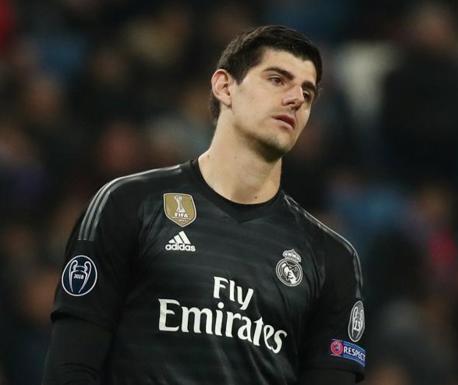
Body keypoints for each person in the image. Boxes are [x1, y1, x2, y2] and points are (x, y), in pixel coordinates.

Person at [42, 25, 365, 385]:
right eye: (277, 80)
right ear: (224, 86)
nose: (296, 99)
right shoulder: (129, 204)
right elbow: (71, 368)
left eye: (307, 92)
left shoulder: (330, 257)